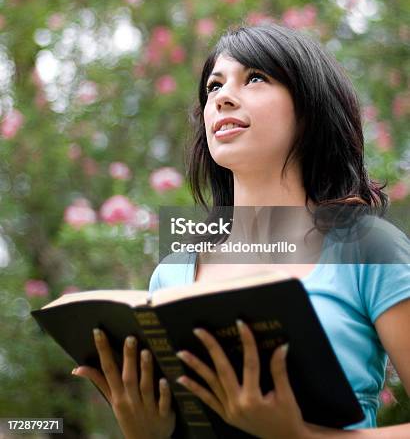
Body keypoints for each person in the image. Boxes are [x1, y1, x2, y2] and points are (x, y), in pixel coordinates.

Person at [72, 23, 410, 438]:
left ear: (310, 107)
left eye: (255, 78)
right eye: (213, 86)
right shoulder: (172, 274)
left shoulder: (366, 247)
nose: (222, 98)